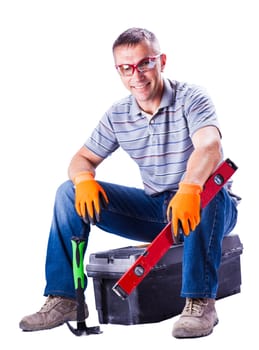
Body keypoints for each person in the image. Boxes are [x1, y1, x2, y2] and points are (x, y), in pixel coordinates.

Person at [19, 27, 239, 338]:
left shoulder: (192, 98)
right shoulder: (118, 115)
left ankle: (200, 301)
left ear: (161, 61)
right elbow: (81, 160)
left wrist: (189, 188)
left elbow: (209, 146)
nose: (136, 75)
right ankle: (65, 298)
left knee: (208, 195)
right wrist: (83, 179)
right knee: (68, 193)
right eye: (126, 68)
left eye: (144, 63)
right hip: (158, 211)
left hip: (209, 206)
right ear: (119, 71)